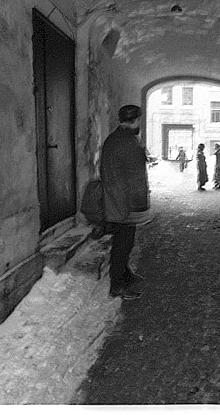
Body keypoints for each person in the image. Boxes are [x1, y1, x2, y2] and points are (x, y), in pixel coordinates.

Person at [101, 104, 151, 300]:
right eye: (139, 120)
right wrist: (140, 204)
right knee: (123, 244)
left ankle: (125, 274)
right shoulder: (129, 142)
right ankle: (117, 285)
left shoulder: (113, 139)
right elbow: (135, 177)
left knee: (123, 241)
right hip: (125, 201)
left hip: (116, 198)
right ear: (136, 120)